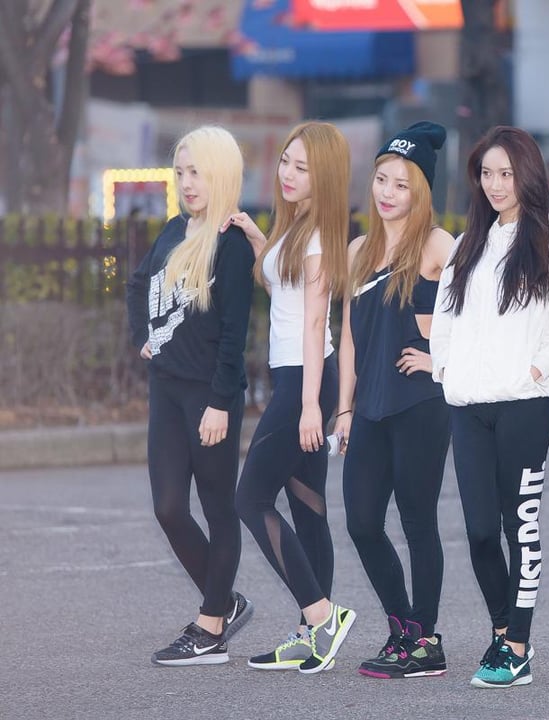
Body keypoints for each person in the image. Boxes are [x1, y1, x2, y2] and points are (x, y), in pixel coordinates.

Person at [429, 125, 549, 688]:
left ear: (528, 176)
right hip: (469, 407)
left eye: (506, 174)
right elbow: (444, 317)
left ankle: (517, 645)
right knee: (478, 532)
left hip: (523, 406)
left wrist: (537, 370)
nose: (495, 185)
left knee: (521, 529)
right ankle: (502, 632)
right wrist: (445, 370)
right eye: (487, 174)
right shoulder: (468, 244)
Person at [224, 121, 355, 674]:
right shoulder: (296, 226)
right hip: (298, 377)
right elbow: (283, 289)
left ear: (324, 177)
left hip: (306, 378)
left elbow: (314, 321)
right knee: (308, 506)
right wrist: (260, 240)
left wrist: (308, 406)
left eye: (303, 167)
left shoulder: (318, 236)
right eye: (286, 161)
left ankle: (322, 615)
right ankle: (312, 635)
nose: (288, 173)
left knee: (250, 498)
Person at [126, 125, 255, 666]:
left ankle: (210, 629)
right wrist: (143, 336)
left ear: (220, 173)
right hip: (167, 390)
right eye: (180, 172)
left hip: (209, 395)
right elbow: (137, 284)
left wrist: (221, 403)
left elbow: (234, 335)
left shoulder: (231, 245)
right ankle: (222, 601)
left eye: (196, 172)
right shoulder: (174, 230)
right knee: (169, 508)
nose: (186, 183)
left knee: (218, 508)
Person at [331, 122, 455, 679]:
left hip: (420, 405)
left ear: (421, 191)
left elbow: (475, 314)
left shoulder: (438, 245)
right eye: (382, 179)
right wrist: (344, 408)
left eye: (401, 184)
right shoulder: (359, 250)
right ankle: (405, 629)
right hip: (370, 410)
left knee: (417, 522)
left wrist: (438, 359)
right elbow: (349, 337)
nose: (387, 192)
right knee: (361, 521)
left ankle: (423, 641)